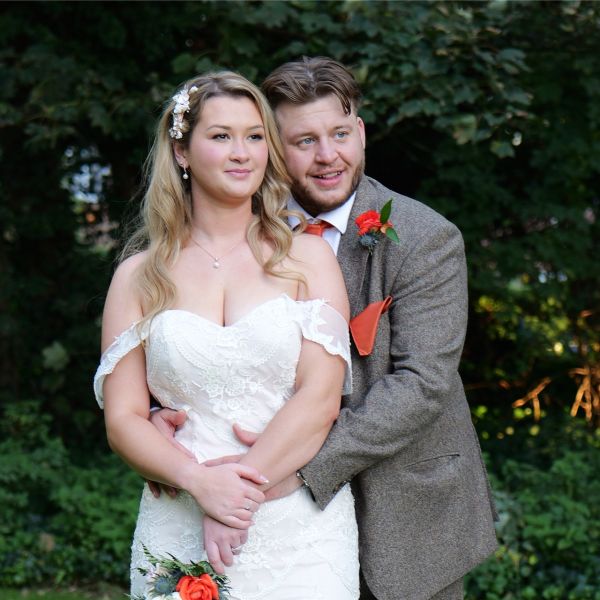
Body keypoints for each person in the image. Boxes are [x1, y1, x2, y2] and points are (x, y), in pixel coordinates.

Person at [153, 57, 499, 600]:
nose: (327, 156)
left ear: (360, 131)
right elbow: (202, 345)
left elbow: (422, 384)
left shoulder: (426, 237)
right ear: (272, 146)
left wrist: (299, 469)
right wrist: (165, 415)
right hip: (263, 513)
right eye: (304, 140)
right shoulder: (240, 234)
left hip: (404, 510)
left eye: (340, 133)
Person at [93, 70, 360, 599]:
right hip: (178, 515)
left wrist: (236, 499)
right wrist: (201, 483)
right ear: (183, 152)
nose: (242, 152)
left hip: (297, 523)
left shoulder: (306, 258)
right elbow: (122, 419)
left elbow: (320, 397)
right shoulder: (138, 277)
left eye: (255, 136)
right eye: (221, 136)